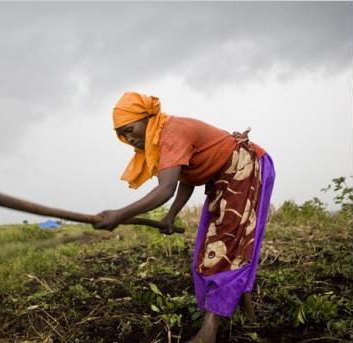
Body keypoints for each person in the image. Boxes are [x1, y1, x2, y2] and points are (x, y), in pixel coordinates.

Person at [93, 92, 275, 343]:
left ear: (147, 118)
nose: (128, 138)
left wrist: (119, 214)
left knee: (224, 246)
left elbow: (165, 189)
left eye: (130, 129)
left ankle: (209, 332)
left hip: (245, 167)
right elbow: (186, 179)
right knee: (228, 244)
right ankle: (248, 314)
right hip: (225, 177)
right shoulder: (159, 140)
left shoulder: (170, 133)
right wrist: (171, 216)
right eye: (122, 134)